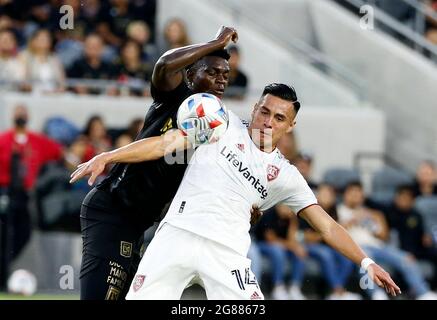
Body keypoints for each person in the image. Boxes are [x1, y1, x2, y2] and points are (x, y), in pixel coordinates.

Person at [72, 83, 401, 300]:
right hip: (176, 237)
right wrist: (109, 156)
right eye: (264, 111)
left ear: (291, 125)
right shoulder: (221, 124)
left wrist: (366, 261)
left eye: (279, 117)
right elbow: (165, 144)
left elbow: (327, 225)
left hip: (227, 255)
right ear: (255, 106)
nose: (268, 121)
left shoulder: (286, 175)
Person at [69, 26, 239, 300]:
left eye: (225, 75)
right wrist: (214, 43)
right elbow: (164, 64)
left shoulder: (215, 127)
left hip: (140, 224)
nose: (221, 80)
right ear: (190, 75)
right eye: (211, 72)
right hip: (113, 210)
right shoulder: (175, 95)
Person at [337, 181, 437, 300]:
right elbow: (335, 233)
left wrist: (371, 220)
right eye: (352, 192)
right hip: (358, 248)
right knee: (365, 262)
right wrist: (351, 221)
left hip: (379, 247)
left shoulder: (373, 213)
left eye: (358, 192)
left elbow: (384, 236)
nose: (355, 195)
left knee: (406, 258)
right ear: (345, 194)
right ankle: (376, 295)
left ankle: (423, 293)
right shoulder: (338, 210)